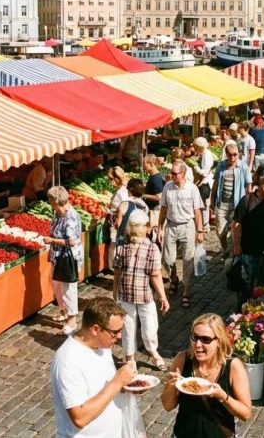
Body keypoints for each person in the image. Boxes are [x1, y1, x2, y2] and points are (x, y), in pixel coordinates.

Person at [50, 297, 136, 437]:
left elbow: (102, 385)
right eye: (115, 332)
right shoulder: (67, 361)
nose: (119, 336)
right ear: (95, 329)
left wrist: (126, 385)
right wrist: (117, 382)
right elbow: (80, 418)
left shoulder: (103, 346)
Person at [161, 314, 252, 437]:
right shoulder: (181, 360)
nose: (198, 344)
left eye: (205, 339)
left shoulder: (233, 367)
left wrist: (223, 396)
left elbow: (246, 413)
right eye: (195, 337)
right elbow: (167, 406)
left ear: (219, 341)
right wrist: (171, 386)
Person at [113, 210, 170, 370]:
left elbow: (117, 274)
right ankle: (142, 355)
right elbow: (156, 276)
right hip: (141, 296)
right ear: (144, 228)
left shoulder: (121, 248)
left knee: (131, 328)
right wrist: (163, 297)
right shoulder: (152, 248)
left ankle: (142, 355)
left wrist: (115, 293)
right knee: (146, 327)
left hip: (129, 295)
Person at [158, 160, 206, 309]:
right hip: (171, 225)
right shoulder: (168, 187)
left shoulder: (192, 189)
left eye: (174, 173)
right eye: (171, 173)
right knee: (167, 259)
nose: (171, 175)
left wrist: (200, 231)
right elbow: (164, 208)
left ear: (183, 173)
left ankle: (186, 291)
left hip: (187, 226)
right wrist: (160, 227)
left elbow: (197, 210)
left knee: (188, 260)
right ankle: (174, 278)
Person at [232, 174, 264, 303]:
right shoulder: (247, 200)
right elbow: (236, 224)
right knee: (248, 284)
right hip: (250, 251)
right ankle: (244, 308)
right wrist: (236, 245)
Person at [44, 186, 83, 335]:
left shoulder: (70, 217)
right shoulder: (57, 213)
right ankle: (64, 310)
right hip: (58, 256)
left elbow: (72, 241)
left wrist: (52, 240)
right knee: (56, 284)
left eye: (50, 200)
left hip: (68, 258)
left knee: (68, 288)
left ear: (54, 201)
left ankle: (72, 320)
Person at [114, 178, 148, 248]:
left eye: (127, 188)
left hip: (125, 239)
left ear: (130, 189)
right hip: (139, 239)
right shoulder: (145, 206)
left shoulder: (124, 204)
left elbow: (118, 224)